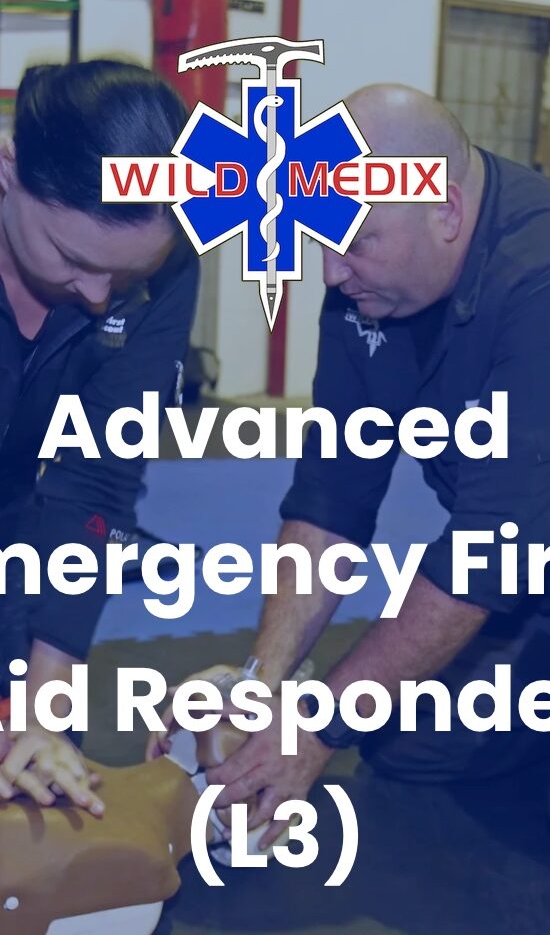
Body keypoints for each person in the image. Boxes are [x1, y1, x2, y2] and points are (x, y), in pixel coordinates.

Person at [150, 83, 550, 847]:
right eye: (322, 240)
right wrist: (261, 685)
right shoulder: (366, 290)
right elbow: (332, 495)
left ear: (446, 213)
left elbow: (488, 554)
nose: (332, 273)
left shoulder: (536, 285)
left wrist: (316, 727)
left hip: (512, 554)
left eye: (356, 241)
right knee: (404, 745)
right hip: (526, 573)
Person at [0, 60, 198, 815]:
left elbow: (99, 474)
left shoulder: (165, 260)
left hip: (15, 511)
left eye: (124, 276)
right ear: (9, 171)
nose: (95, 295)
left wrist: (41, 714)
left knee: (41, 779)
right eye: (73, 260)